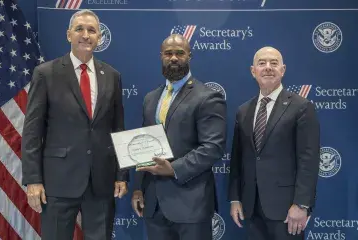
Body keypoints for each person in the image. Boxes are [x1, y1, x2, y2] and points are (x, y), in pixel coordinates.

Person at [21, 9, 128, 240]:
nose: (85, 35)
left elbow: (118, 128)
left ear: (99, 37)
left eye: (92, 30)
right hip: (57, 182)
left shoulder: (112, 76)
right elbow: (32, 131)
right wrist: (33, 180)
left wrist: (121, 174)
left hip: (101, 182)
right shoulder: (45, 74)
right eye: (79, 28)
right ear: (69, 34)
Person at [131, 34, 227, 240]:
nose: (173, 57)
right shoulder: (150, 98)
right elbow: (144, 146)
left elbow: (213, 147)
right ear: (161, 57)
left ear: (189, 56)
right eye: (168, 53)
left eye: (179, 53)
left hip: (191, 205)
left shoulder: (208, 97)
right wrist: (139, 188)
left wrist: (174, 168)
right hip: (154, 204)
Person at [228, 46, 320, 240]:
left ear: (283, 70)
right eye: (262, 63)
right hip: (251, 207)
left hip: (287, 210)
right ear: (253, 71)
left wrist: (301, 205)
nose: (268, 67)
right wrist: (235, 198)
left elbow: (308, 161)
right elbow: (237, 159)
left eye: (274, 63)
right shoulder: (243, 111)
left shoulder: (302, 107)